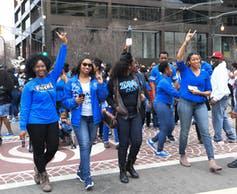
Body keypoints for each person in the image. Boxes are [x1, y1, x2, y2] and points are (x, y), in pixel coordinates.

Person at [19, 32, 68, 192]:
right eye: (37, 66)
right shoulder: (29, 86)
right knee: (38, 150)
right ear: (33, 69)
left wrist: (64, 45)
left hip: (52, 120)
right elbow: (24, 107)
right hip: (35, 122)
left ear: (46, 67)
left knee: (53, 147)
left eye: (42, 66)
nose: (40, 68)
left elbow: (60, 63)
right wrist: (22, 127)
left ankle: (39, 167)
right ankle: (43, 175)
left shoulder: (52, 78)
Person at [176, 29, 221, 172]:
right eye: (193, 59)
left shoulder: (205, 73)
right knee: (184, 131)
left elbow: (209, 91)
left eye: (198, 59)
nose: (196, 61)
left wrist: (199, 92)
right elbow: (178, 56)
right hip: (185, 103)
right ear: (189, 62)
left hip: (200, 104)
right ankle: (182, 154)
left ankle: (212, 160)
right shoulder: (184, 70)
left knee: (205, 132)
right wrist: (186, 41)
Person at [63, 57, 108, 191]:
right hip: (79, 118)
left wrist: (101, 84)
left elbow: (103, 97)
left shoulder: (95, 81)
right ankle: (87, 178)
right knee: (84, 145)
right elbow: (65, 101)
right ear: (80, 66)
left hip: (94, 118)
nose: (87, 67)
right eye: (84, 64)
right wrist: (74, 102)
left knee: (88, 147)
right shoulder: (71, 82)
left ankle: (80, 171)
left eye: (89, 65)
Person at [107, 52, 144, 184]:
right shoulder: (115, 79)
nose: (136, 64)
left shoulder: (136, 76)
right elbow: (107, 96)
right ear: (128, 65)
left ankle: (130, 164)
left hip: (136, 114)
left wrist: (142, 95)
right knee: (123, 144)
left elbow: (140, 90)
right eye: (134, 63)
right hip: (123, 116)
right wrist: (114, 106)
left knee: (137, 141)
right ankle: (122, 170)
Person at [147, 61, 180, 157]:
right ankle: (159, 150)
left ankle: (152, 140)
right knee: (165, 128)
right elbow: (173, 92)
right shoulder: (163, 81)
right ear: (166, 70)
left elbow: (175, 89)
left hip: (167, 104)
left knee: (171, 126)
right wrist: (185, 93)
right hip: (161, 104)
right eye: (170, 68)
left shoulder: (167, 79)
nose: (171, 70)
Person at [209, 51, 236, 144]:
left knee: (217, 118)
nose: (213, 60)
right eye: (212, 58)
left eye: (215, 58)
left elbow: (221, 87)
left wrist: (215, 98)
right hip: (222, 96)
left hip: (219, 97)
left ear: (220, 59)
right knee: (222, 117)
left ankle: (218, 138)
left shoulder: (220, 70)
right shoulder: (220, 68)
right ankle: (232, 136)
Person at [0, 64, 14, 145]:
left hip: (3, 100)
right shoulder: (6, 75)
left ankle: (10, 131)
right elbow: (10, 88)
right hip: (5, 100)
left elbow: (8, 88)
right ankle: (9, 131)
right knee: (2, 117)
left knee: (3, 117)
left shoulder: (3, 75)